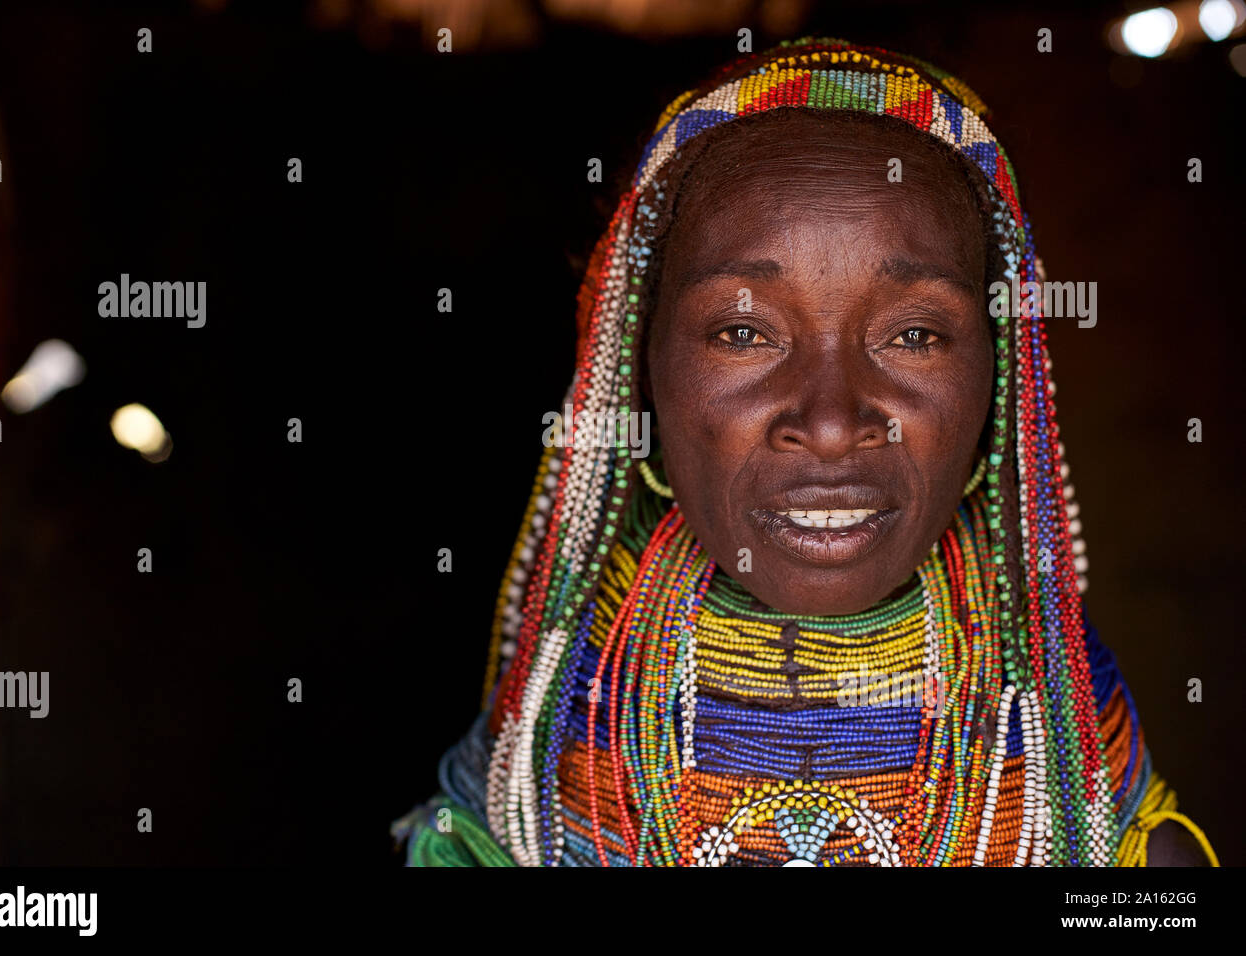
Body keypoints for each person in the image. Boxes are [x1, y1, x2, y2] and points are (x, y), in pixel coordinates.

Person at [392, 36, 1218, 866]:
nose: (829, 422)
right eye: (744, 332)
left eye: (916, 334)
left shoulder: (1061, 735)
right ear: (640, 374)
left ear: (1002, 379)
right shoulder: (558, 719)